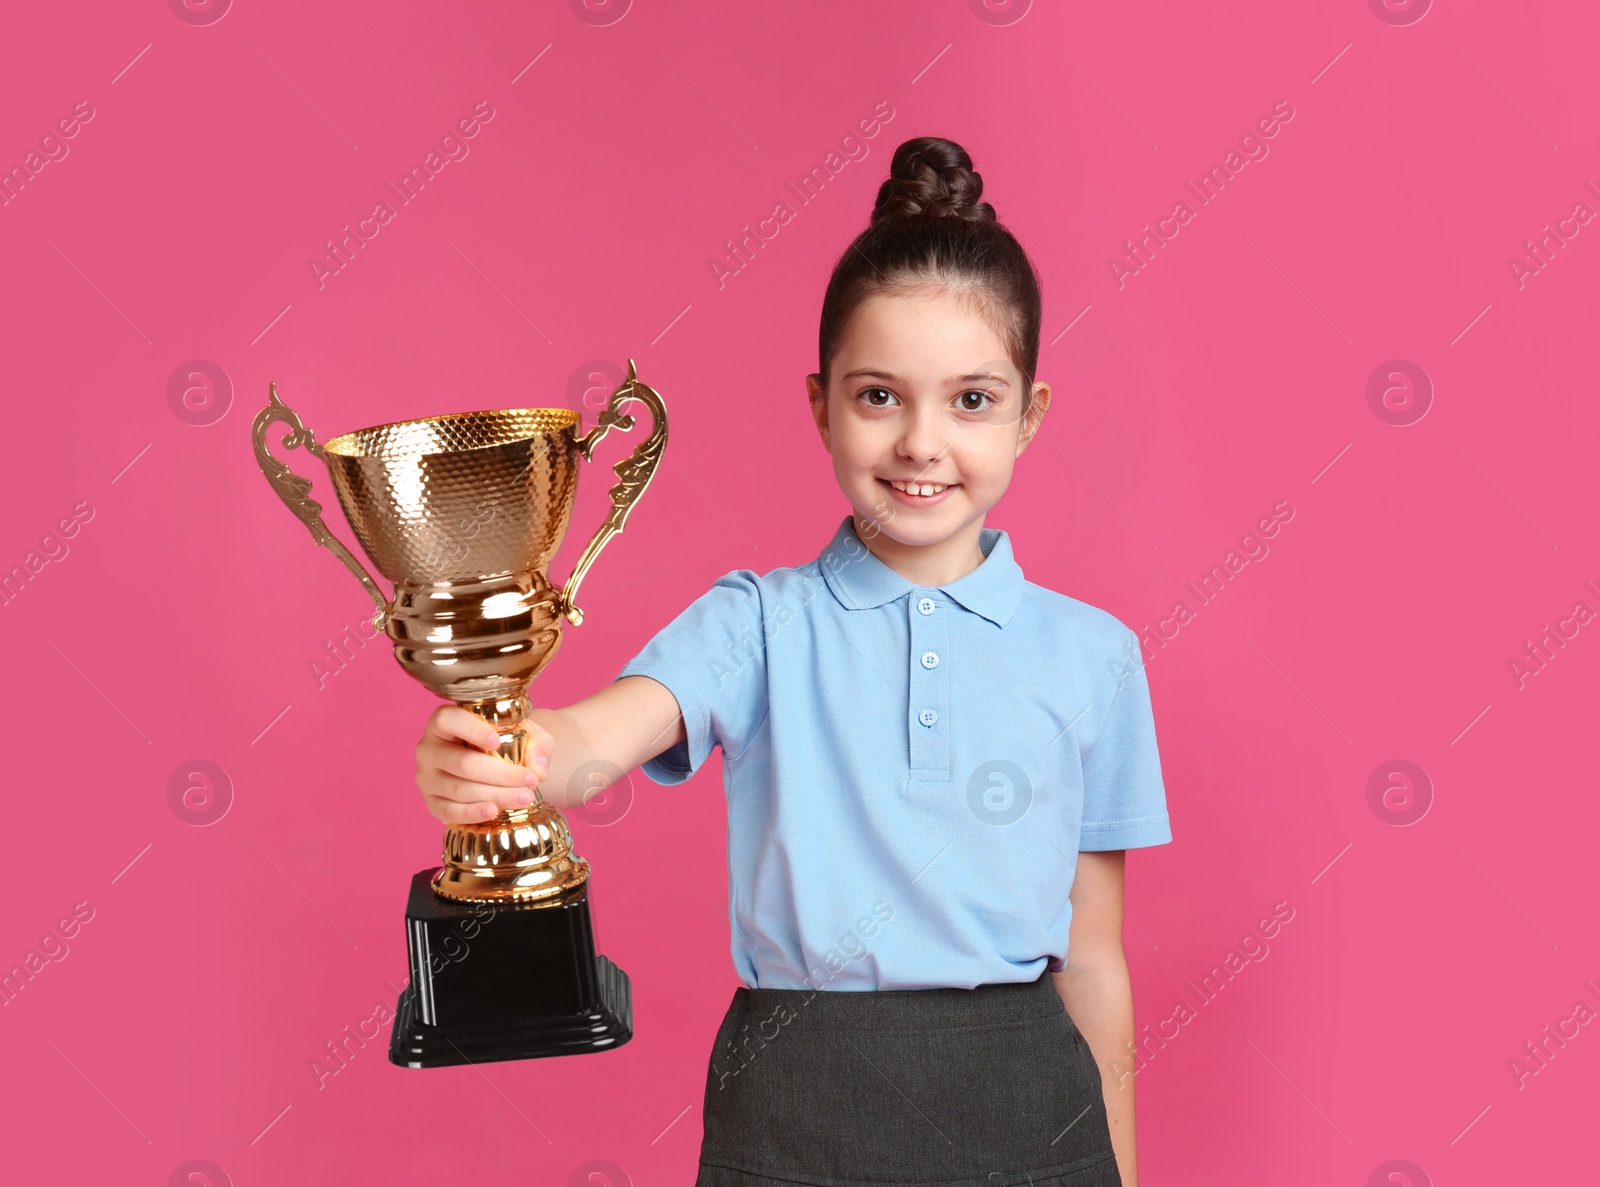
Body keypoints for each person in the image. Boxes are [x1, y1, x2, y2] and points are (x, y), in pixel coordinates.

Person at [415, 136, 1172, 1186]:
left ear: (1028, 415)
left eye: (970, 399)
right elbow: (597, 740)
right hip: (794, 1104)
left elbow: (1094, 955)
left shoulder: (1097, 657)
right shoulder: (758, 624)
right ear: (819, 404)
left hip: (1028, 1106)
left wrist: (1121, 1171)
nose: (920, 442)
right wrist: (511, 747)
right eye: (878, 396)